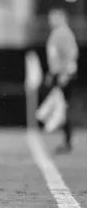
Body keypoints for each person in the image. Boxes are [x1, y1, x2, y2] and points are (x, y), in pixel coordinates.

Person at [44, 8, 79, 154]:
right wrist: (51, 74)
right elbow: (55, 57)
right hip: (60, 75)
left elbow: (72, 55)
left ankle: (68, 141)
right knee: (60, 107)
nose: (50, 21)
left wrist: (65, 74)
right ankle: (67, 140)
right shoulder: (58, 33)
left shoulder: (63, 33)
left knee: (62, 107)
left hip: (64, 76)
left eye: (53, 18)